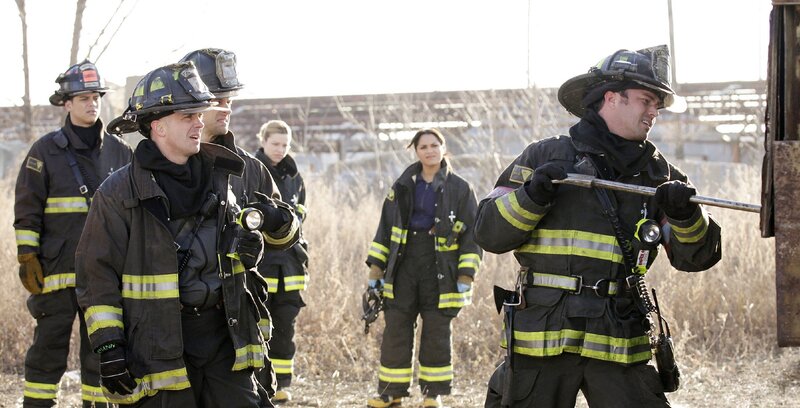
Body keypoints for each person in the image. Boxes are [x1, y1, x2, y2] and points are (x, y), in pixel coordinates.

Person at [475, 45, 722, 407]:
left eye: (657, 104)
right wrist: (532, 196)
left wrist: (685, 215)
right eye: (645, 100)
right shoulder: (543, 158)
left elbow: (697, 258)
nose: (654, 112)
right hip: (541, 337)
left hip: (618, 338)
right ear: (611, 98)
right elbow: (488, 232)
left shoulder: (661, 177)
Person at [75, 61, 298, 407]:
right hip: (157, 347)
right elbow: (95, 276)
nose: (199, 122)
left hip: (225, 337)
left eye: (199, 114)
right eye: (188, 116)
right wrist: (109, 348)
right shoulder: (118, 193)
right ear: (158, 127)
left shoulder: (224, 175)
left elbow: (267, 239)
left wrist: (250, 242)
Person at [14, 60, 132, 408]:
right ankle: (37, 403)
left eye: (95, 96)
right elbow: (28, 208)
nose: (92, 103)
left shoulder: (120, 151)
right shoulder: (44, 151)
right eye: (83, 98)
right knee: (48, 346)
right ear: (65, 103)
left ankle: (96, 404)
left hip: (105, 274)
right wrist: (27, 256)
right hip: (55, 271)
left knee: (102, 346)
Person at [180, 48, 296, 402]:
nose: (227, 107)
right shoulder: (160, 168)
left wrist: (274, 227)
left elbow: (287, 238)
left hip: (235, 325)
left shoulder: (251, 169)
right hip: (174, 328)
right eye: (218, 99)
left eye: (229, 99)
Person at [364, 128, 483, 408]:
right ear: (415, 151)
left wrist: (466, 274)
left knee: (437, 333)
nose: (429, 151)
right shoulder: (403, 185)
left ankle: (433, 394)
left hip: (441, 270)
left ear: (444, 149)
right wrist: (376, 270)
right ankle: (391, 393)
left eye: (434, 145)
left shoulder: (461, 188)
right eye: (423, 147)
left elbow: (473, 235)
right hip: (404, 266)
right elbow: (385, 229)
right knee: (396, 329)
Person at [253, 120, 309, 403]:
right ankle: (259, 383)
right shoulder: (252, 170)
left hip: (291, 266)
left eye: (285, 145)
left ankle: (282, 384)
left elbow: (301, 215)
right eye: (275, 144)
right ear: (263, 141)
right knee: (259, 325)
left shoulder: (294, 175)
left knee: (286, 327)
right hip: (262, 265)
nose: (280, 150)